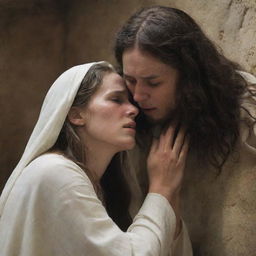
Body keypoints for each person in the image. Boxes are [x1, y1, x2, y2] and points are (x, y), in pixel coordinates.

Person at [0, 61, 191, 256]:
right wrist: (161, 188)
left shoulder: (91, 183)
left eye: (131, 102)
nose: (133, 110)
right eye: (116, 99)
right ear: (76, 114)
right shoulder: (54, 172)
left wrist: (171, 193)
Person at [114, 5, 256, 256]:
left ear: (189, 74)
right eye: (130, 80)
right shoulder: (130, 119)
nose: (137, 95)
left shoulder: (246, 109)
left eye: (153, 82)